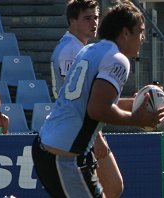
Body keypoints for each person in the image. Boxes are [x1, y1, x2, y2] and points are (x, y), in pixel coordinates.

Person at [32, 1, 164, 197]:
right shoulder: (118, 60)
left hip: (50, 147)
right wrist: (136, 119)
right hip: (63, 156)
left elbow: (88, 101)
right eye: (140, 31)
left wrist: (135, 103)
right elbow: (97, 110)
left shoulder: (90, 50)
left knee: (112, 189)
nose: (143, 38)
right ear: (124, 33)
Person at [50, 0, 124, 197]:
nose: (94, 23)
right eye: (87, 18)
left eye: (96, 18)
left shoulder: (77, 47)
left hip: (80, 129)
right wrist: (97, 139)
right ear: (72, 21)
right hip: (74, 132)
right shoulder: (70, 50)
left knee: (111, 187)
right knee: (112, 186)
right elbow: (76, 98)